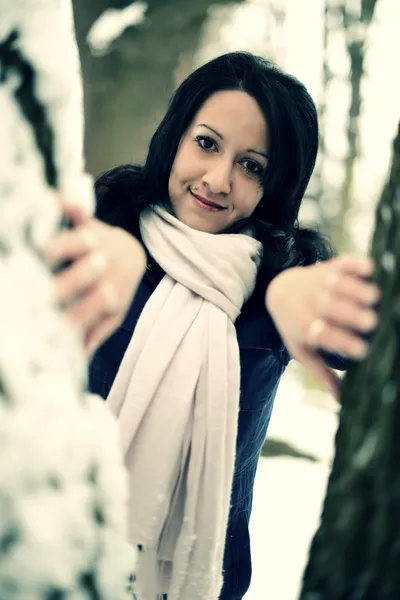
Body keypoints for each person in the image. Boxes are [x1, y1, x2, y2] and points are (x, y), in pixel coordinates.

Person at [46, 52, 380, 599]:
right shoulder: (95, 235)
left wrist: (298, 289)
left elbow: (380, 348)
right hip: (49, 559)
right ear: (176, 136)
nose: (218, 180)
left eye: (253, 166)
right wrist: (97, 244)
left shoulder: (278, 291)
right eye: (207, 143)